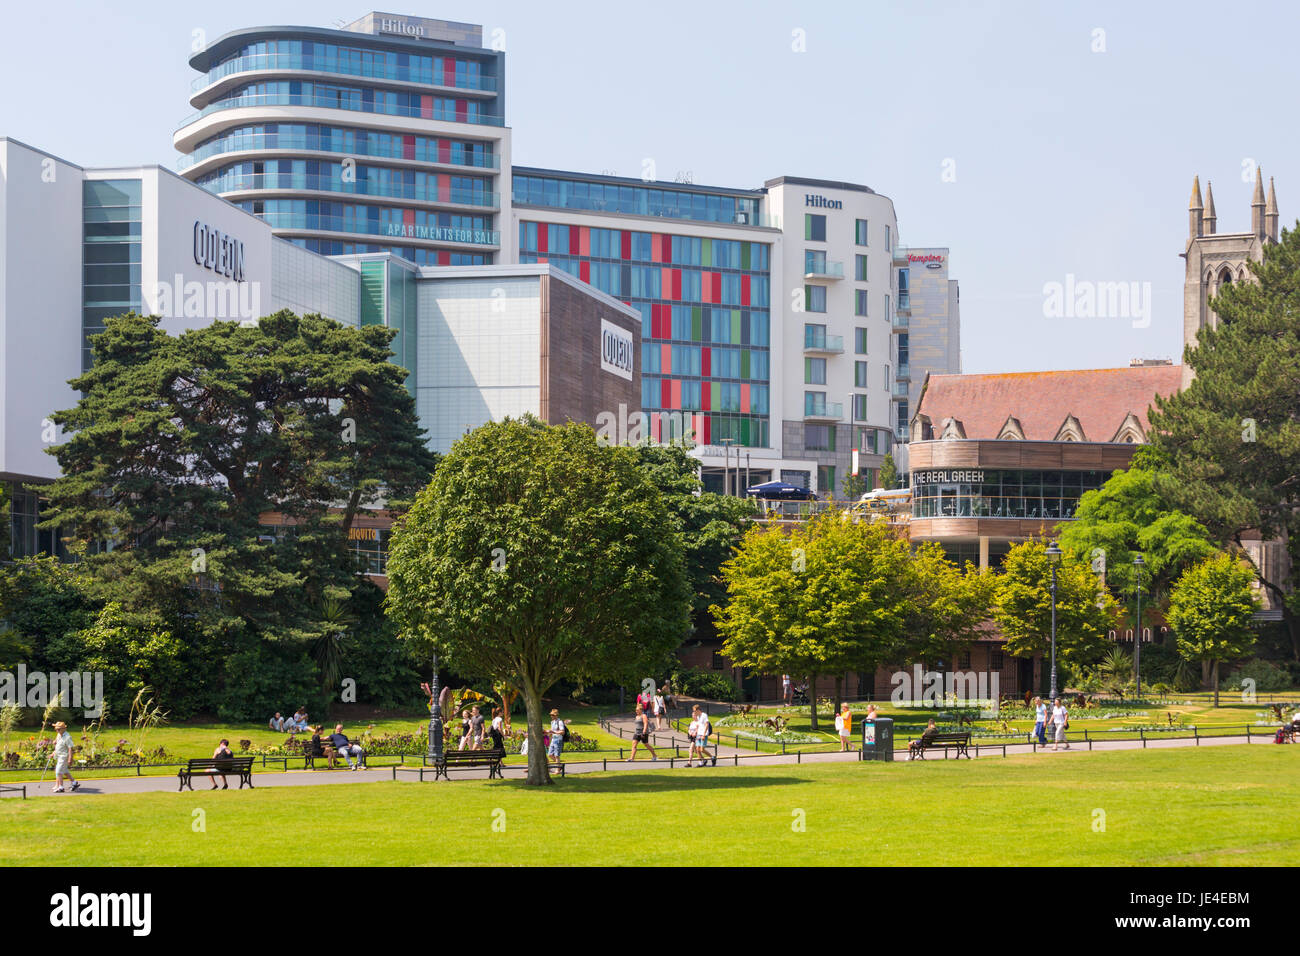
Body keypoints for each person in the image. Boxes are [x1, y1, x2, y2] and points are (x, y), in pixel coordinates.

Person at [51, 721, 79, 793]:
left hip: (64, 757)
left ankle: (61, 787)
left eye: (59, 729)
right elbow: (57, 744)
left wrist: (70, 759)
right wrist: (54, 751)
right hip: (59, 756)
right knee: (65, 771)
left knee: (58, 771)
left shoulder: (67, 737)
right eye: (56, 729)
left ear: (64, 729)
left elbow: (70, 749)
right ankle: (74, 782)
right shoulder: (59, 735)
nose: (57, 730)